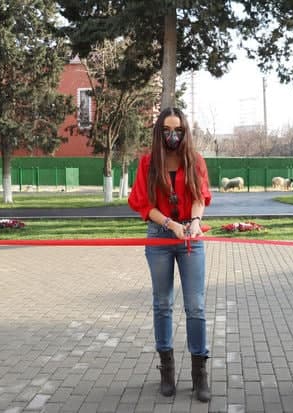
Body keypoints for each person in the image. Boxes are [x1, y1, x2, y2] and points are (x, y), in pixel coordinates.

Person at [128, 107, 212, 402]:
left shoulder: (195, 160)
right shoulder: (148, 163)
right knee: (162, 303)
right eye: (167, 130)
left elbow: (200, 197)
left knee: (196, 306)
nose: (172, 136)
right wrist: (170, 224)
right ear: (159, 132)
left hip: (191, 238)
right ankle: (166, 370)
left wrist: (196, 224)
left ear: (185, 132)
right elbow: (142, 204)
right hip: (160, 237)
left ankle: (200, 373)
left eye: (178, 130)